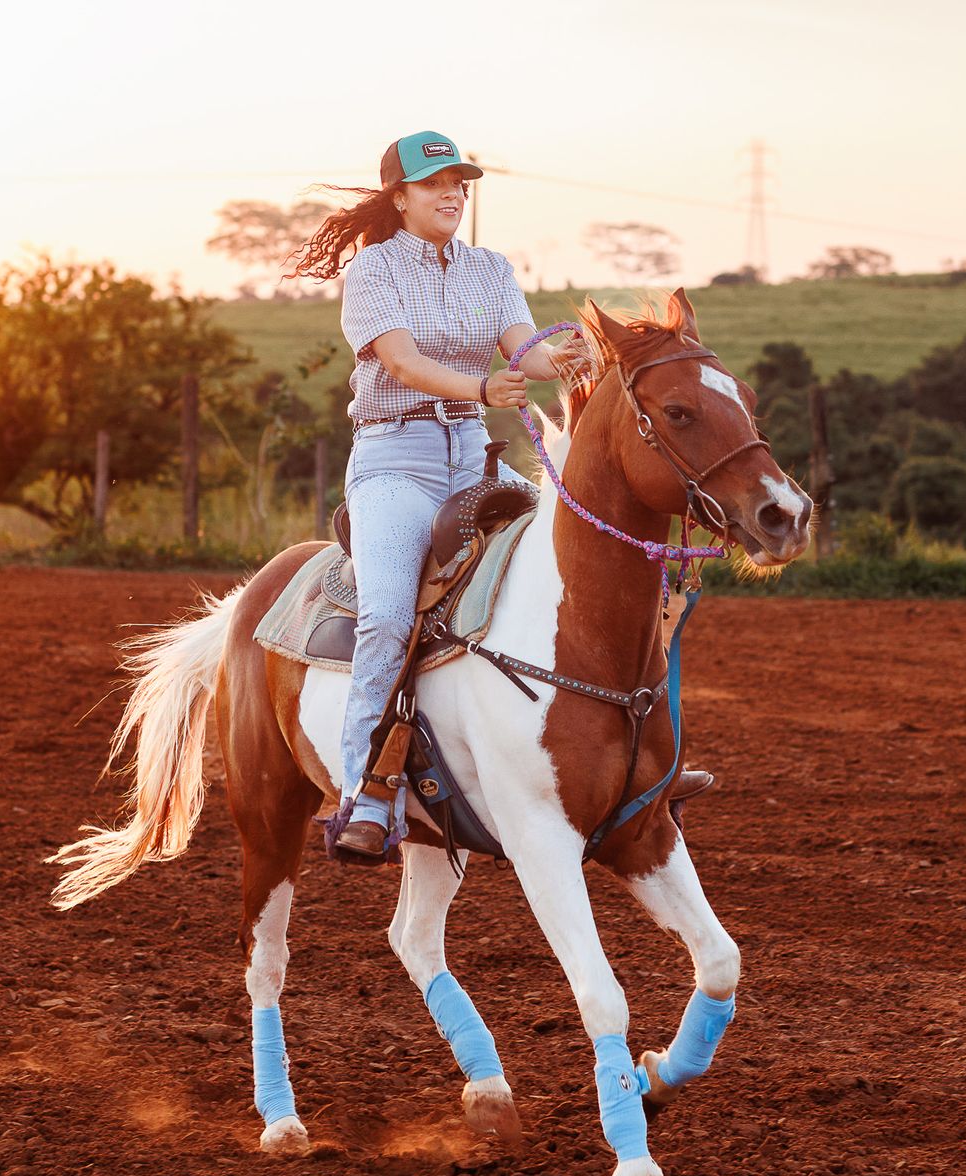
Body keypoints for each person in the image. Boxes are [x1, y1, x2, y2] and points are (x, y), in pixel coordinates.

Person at [285, 130, 712, 864]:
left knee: (592, 556)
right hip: (395, 463)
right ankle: (364, 793)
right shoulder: (373, 273)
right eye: (435, 184)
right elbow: (403, 361)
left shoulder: (489, 269)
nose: (452, 193)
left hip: (476, 459)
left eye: (460, 183)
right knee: (388, 615)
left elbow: (528, 351)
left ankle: (642, 760)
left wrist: (571, 356)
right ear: (400, 197)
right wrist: (482, 387)